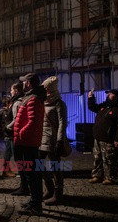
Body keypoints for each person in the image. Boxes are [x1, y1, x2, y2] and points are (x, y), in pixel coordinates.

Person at [13, 73, 46, 216]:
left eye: (25, 82)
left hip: (28, 142)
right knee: (30, 173)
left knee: (33, 174)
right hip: (27, 141)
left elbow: (33, 121)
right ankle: (33, 201)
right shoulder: (31, 97)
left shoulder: (33, 99)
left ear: (29, 83)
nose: (23, 84)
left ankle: (35, 205)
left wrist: (21, 133)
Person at [39, 76, 68, 205]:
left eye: (45, 88)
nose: (44, 90)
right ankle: (49, 189)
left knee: (56, 167)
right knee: (38, 164)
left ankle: (58, 194)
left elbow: (63, 123)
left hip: (53, 140)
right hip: (42, 140)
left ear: (50, 89)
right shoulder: (44, 101)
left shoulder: (59, 103)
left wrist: (60, 141)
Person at [88, 88, 118, 185]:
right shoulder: (104, 106)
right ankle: (97, 176)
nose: (108, 95)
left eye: (110, 94)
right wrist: (91, 98)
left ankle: (110, 177)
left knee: (109, 159)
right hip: (98, 138)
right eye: (108, 94)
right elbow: (93, 107)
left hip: (109, 140)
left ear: (116, 96)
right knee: (97, 158)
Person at [0, 96, 14, 177]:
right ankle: (5, 170)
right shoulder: (5, 112)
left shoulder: (0, 111)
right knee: (8, 152)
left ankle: (7, 169)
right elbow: (5, 124)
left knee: (8, 152)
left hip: (4, 134)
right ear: (7, 103)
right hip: (7, 134)